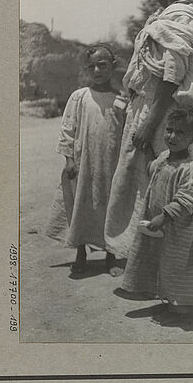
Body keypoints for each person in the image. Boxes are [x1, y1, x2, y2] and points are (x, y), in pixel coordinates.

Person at [105, 0, 193, 262]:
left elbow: (172, 74)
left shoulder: (183, 17)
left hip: (162, 116)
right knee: (140, 183)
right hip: (148, 109)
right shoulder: (164, 14)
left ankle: (161, 266)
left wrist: (150, 121)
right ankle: (139, 261)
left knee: (160, 184)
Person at [46, 43, 127, 274]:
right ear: (85, 69)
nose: (97, 71)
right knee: (80, 205)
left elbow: (124, 131)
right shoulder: (79, 97)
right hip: (83, 163)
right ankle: (80, 252)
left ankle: (111, 256)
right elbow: (67, 129)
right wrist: (69, 159)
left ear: (112, 67)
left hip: (110, 164)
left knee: (109, 206)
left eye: (102, 65)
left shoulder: (120, 99)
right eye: (91, 66)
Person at [122, 107, 193, 321]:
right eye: (169, 130)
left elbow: (187, 200)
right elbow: (151, 168)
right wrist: (146, 148)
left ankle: (180, 311)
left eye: (180, 133)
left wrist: (164, 217)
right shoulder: (165, 158)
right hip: (161, 228)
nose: (172, 136)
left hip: (177, 230)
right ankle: (168, 303)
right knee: (161, 263)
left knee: (176, 266)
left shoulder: (188, 169)